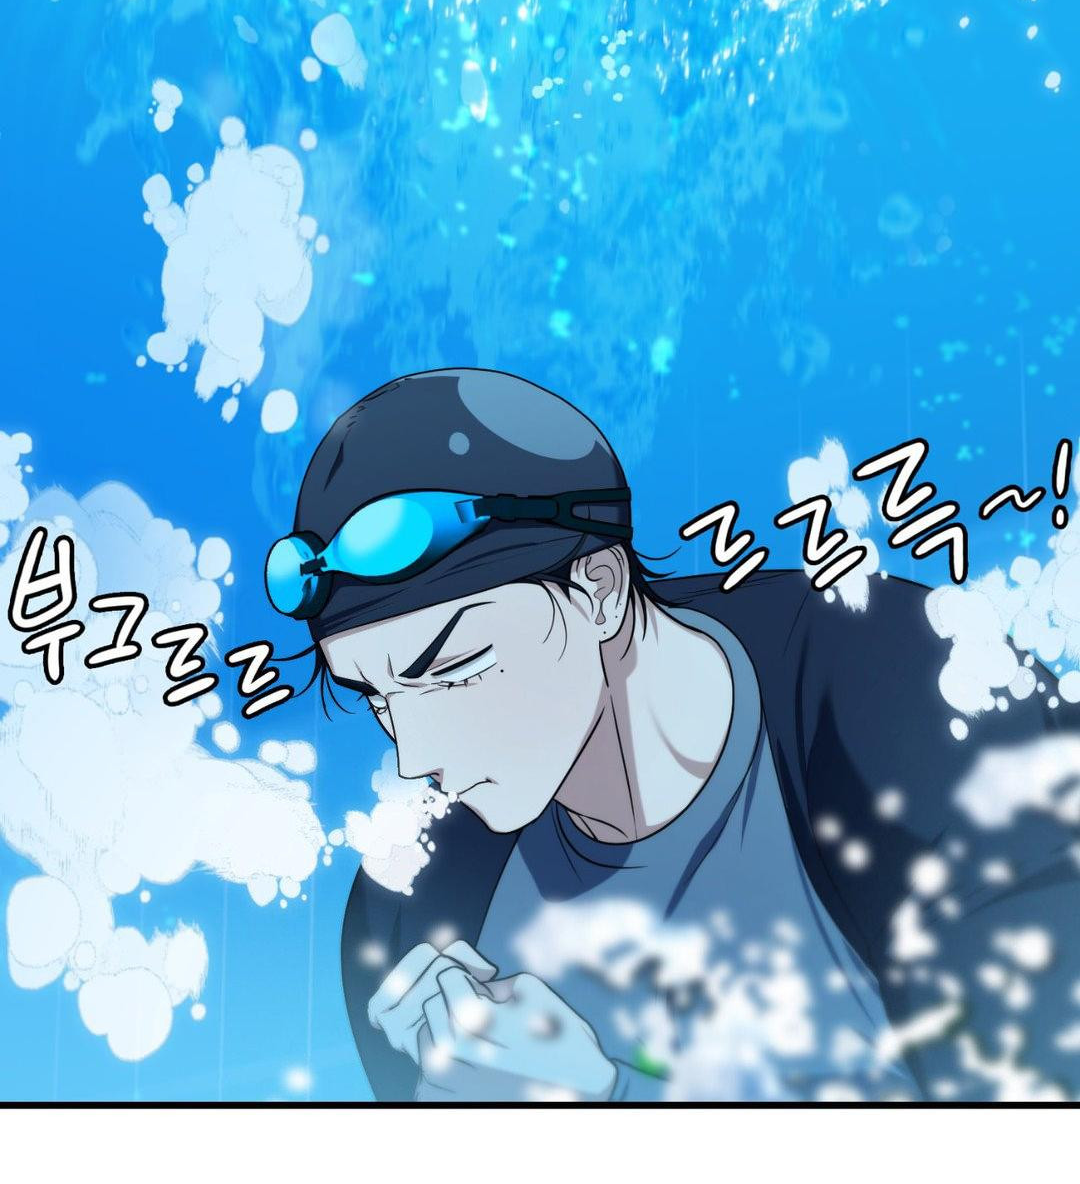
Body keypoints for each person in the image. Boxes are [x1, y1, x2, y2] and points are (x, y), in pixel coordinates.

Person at [265, 366, 1080, 1104]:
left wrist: (614, 1099)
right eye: (377, 697)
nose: (415, 754)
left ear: (599, 590)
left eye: (453, 669)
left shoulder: (936, 709)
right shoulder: (407, 914)